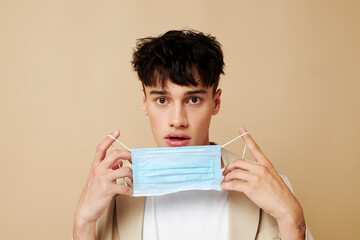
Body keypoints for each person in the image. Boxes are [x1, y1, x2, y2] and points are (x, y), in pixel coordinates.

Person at [73, 30, 313, 240]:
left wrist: (291, 217)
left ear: (215, 103)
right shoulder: (115, 193)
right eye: (162, 100)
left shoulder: (267, 188)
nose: (178, 120)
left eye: (194, 99)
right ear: (144, 103)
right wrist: (83, 223)